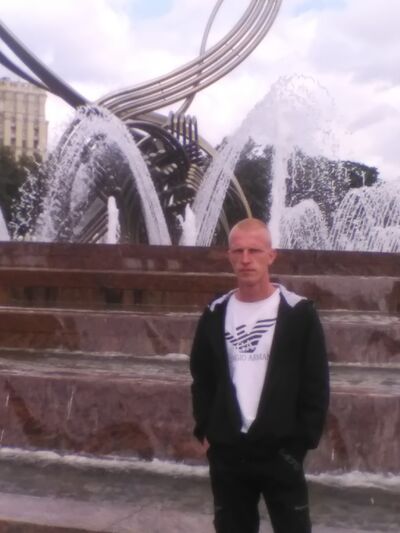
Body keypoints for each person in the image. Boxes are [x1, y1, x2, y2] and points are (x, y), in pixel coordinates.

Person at [190, 218, 329, 533]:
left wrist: (299, 446)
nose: (245, 259)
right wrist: (207, 432)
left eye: (254, 250)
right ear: (229, 256)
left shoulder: (299, 313)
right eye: (238, 251)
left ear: (271, 256)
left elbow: (316, 383)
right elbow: (202, 377)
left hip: (281, 452)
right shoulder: (214, 313)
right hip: (228, 452)